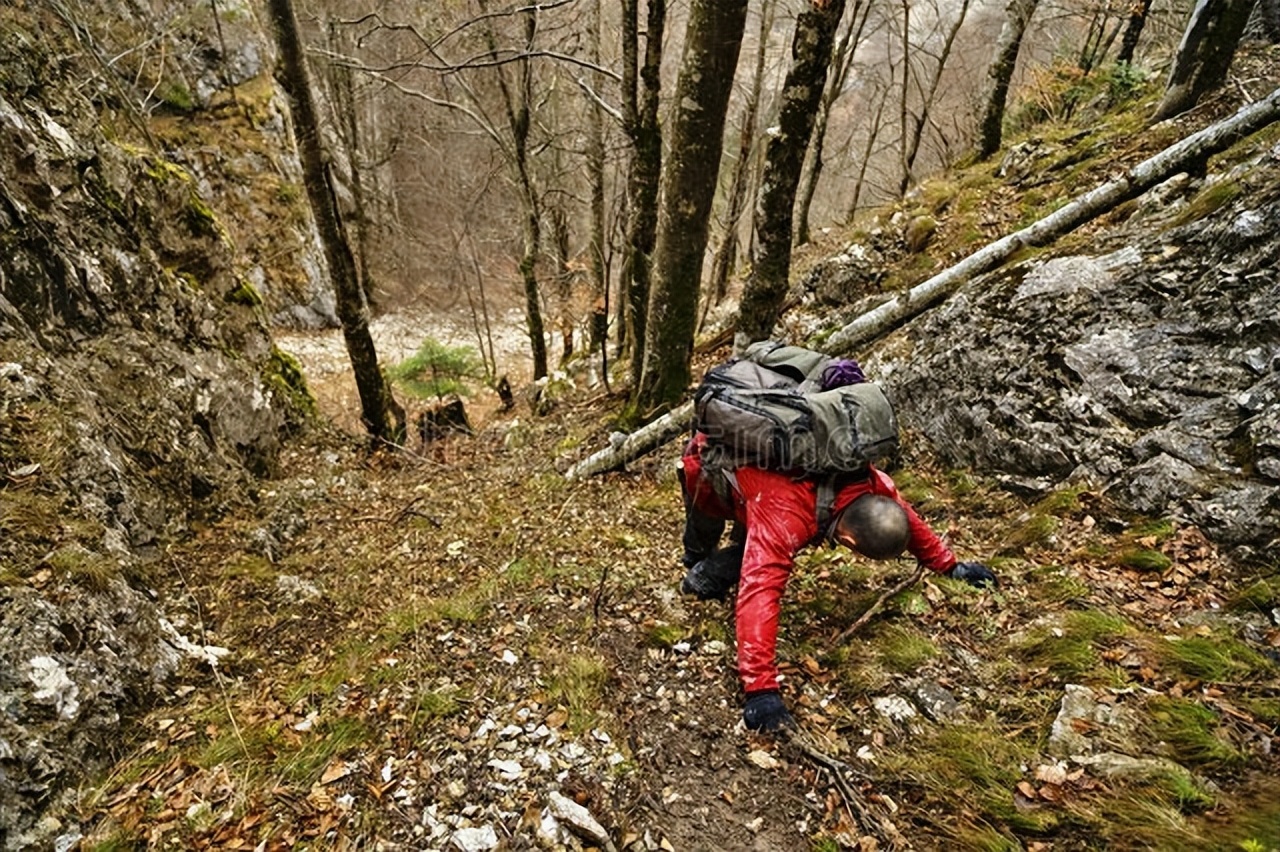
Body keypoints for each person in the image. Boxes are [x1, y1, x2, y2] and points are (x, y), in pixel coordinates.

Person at [676, 361, 996, 733]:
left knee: (753, 541)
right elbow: (760, 591)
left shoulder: (869, 481)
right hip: (710, 461)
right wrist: (761, 690)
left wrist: (950, 567)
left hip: (759, 493)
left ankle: (712, 565)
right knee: (704, 528)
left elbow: (905, 520)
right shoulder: (787, 518)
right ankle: (696, 573)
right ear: (848, 540)